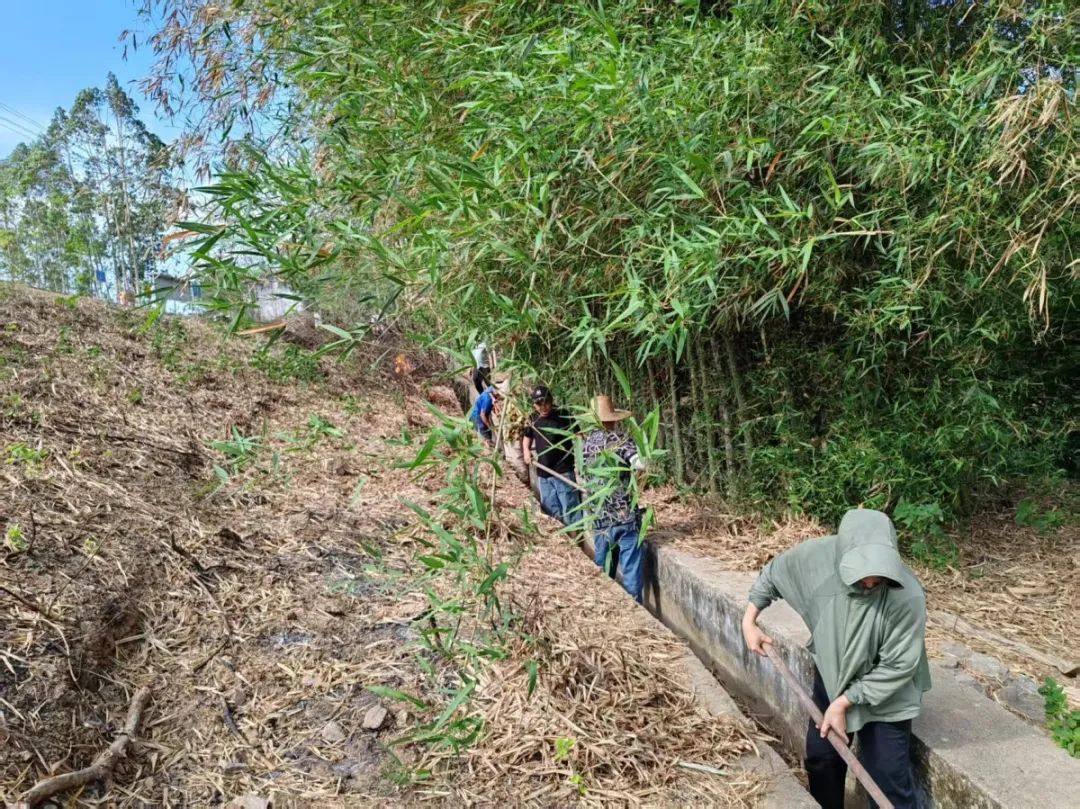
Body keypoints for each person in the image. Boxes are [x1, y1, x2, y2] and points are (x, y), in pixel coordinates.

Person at [741, 508, 931, 809]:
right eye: (862, 577)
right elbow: (774, 574)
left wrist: (844, 703)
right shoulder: (816, 561)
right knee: (822, 758)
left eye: (878, 578)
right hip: (832, 674)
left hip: (886, 693)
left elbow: (898, 666)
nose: (870, 583)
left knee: (886, 777)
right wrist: (748, 622)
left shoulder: (908, 597)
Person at [581, 394, 646, 602]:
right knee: (631, 564)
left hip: (600, 515)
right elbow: (640, 464)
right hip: (624, 514)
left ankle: (606, 601)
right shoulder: (621, 440)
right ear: (614, 419)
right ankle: (633, 605)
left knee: (604, 560)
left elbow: (584, 474)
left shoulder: (587, 444)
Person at [522, 385, 581, 526]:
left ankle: (575, 542)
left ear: (551, 400)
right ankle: (560, 541)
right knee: (550, 510)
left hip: (563, 472)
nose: (543, 407)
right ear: (534, 404)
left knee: (571, 510)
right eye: (538, 404)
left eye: (546, 403)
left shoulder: (563, 415)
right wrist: (526, 450)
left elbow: (579, 436)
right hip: (544, 473)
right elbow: (527, 437)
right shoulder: (533, 419)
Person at [468, 378, 507, 445]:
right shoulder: (487, 399)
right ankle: (490, 451)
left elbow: (493, 404)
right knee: (487, 437)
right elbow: (482, 414)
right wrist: (489, 426)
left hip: (479, 415)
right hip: (477, 417)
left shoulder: (490, 391)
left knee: (488, 435)